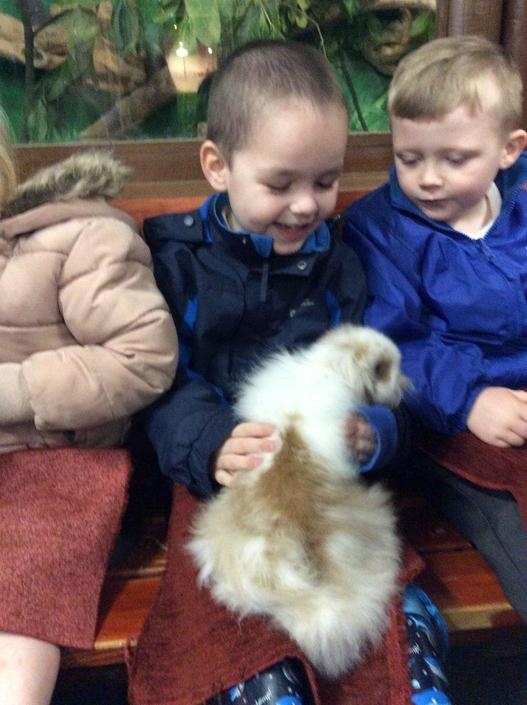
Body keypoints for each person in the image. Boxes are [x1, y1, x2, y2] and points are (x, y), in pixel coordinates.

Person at [136, 39, 451, 705]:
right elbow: (159, 384)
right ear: (217, 166)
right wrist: (210, 442)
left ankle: (412, 671)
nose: (306, 206)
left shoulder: (342, 265)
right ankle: (264, 685)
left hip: (329, 482)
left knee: (382, 599)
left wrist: (373, 432)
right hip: (223, 479)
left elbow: (386, 382)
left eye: (325, 181)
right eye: (280, 185)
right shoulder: (176, 263)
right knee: (231, 610)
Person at [344, 35, 527, 622]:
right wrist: (471, 398)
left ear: (508, 149)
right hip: (444, 419)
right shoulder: (378, 229)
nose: (427, 178)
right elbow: (392, 341)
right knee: (515, 519)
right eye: (409, 158)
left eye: (455, 160)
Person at [0, 111, 178, 705]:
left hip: (57, 463)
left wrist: (17, 391)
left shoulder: (79, 236)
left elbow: (144, 358)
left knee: (19, 597)